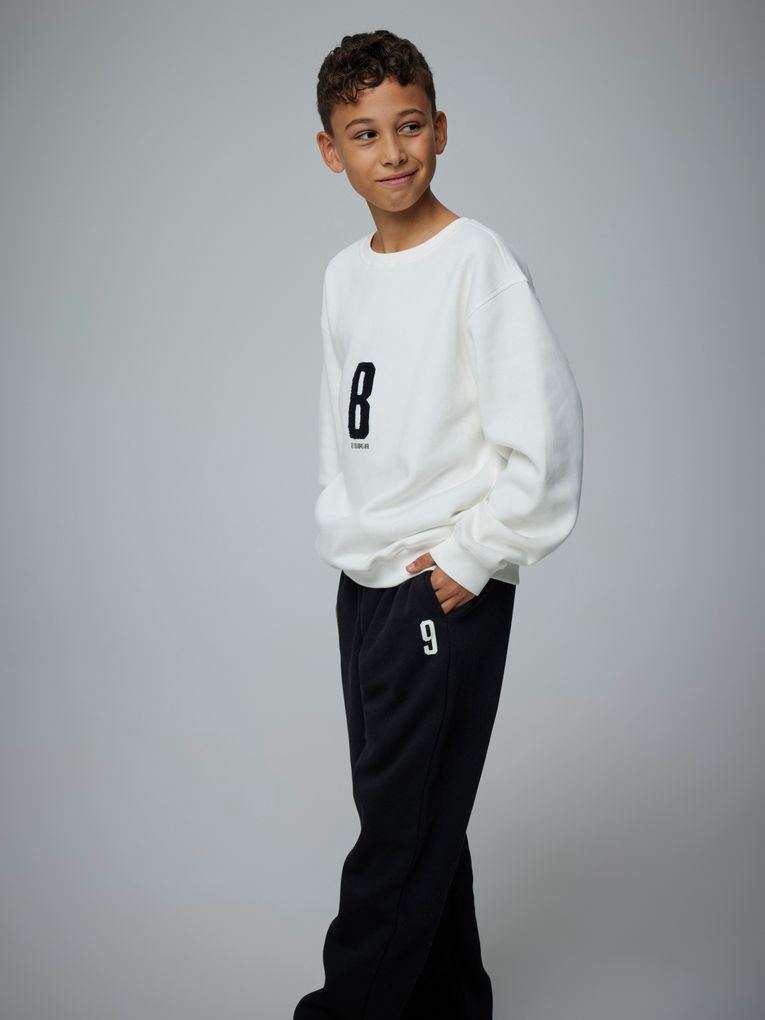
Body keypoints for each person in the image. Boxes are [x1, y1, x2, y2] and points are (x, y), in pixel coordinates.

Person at [294, 28, 584, 1020]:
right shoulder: (344, 275)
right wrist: (343, 524)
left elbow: (545, 432)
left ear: (441, 129)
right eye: (365, 134)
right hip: (364, 582)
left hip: (439, 585)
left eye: (409, 126)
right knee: (415, 815)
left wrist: (474, 553)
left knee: (398, 835)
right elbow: (343, 423)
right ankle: (453, 1004)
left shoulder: (477, 261)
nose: (393, 152)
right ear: (331, 150)